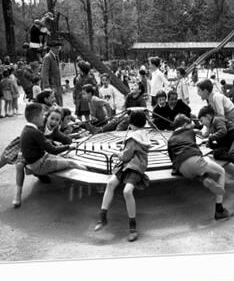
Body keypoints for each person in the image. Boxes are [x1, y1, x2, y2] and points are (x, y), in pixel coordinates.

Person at [93, 110, 151, 242]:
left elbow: (126, 156)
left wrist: (119, 154)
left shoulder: (133, 137)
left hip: (134, 168)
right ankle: (102, 216)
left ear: (131, 123)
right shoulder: (143, 134)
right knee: (111, 183)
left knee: (126, 191)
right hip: (130, 166)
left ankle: (132, 226)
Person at [168, 114, 233, 220]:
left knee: (196, 168)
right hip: (195, 161)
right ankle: (219, 209)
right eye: (190, 125)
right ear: (185, 125)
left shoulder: (170, 139)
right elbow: (195, 147)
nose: (191, 127)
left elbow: (172, 159)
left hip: (182, 168)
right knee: (220, 171)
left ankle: (204, 178)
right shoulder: (190, 132)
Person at [20, 103, 85, 179]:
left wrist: (74, 136)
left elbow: (65, 139)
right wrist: (68, 147)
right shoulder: (36, 131)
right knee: (72, 163)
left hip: (40, 157)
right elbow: (52, 149)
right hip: (39, 163)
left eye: (57, 120)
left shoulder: (28, 128)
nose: (54, 122)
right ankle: (89, 178)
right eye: (42, 115)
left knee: (65, 158)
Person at [41, 40, 63, 106]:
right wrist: (47, 86)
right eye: (57, 48)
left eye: (59, 48)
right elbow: (44, 73)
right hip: (51, 85)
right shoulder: (48, 57)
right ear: (52, 48)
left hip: (57, 84)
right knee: (53, 104)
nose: (59, 50)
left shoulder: (56, 57)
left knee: (59, 103)